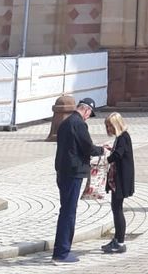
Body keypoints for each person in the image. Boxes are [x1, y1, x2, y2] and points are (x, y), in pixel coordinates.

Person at [53, 96, 104, 263]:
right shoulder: (79, 124)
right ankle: (62, 252)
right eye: (89, 114)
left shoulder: (65, 123)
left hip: (62, 171)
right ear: (86, 110)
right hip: (73, 172)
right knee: (69, 212)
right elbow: (88, 147)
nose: (88, 117)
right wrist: (102, 150)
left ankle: (61, 249)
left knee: (65, 210)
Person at [100, 112, 134, 255]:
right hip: (117, 179)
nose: (108, 129)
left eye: (110, 126)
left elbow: (118, 155)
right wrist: (111, 150)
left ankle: (120, 242)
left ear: (116, 125)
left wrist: (104, 161)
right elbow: (118, 152)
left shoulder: (123, 137)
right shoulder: (120, 137)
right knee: (115, 208)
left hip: (121, 179)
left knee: (118, 209)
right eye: (107, 126)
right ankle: (116, 238)